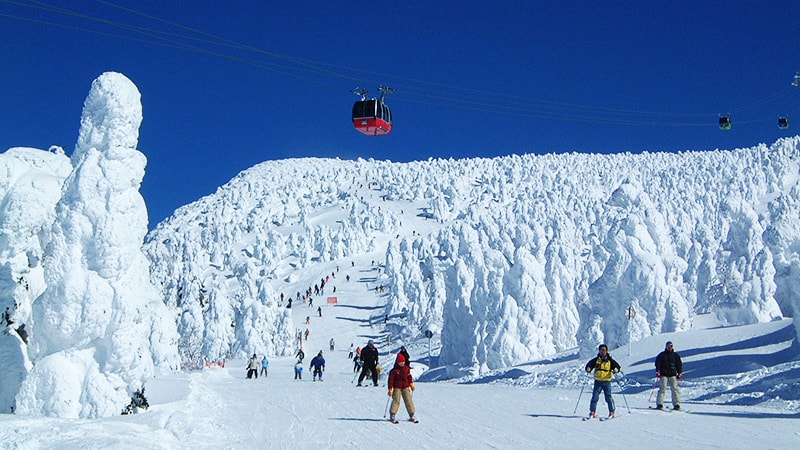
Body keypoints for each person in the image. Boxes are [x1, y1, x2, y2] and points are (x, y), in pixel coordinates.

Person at [584, 344, 621, 419]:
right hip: (598, 381)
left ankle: (612, 412)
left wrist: (616, 369)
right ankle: (592, 412)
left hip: (607, 381)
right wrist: (588, 368)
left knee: (608, 398)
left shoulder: (610, 360)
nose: (602, 352)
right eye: (601, 350)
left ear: (607, 351)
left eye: (604, 350)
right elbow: (589, 365)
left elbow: (617, 367)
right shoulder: (596, 360)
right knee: (595, 397)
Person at [387, 352, 417, 423]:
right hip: (397, 387)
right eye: (400, 362)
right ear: (397, 362)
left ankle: (412, 414)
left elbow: (409, 376)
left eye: (403, 362)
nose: (402, 363)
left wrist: (411, 384)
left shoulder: (406, 368)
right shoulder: (394, 371)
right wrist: (390, 389)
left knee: (408, 400)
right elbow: (390, 380)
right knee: (396, 400)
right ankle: (392, 414)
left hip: (405, 387)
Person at [655, 341, 683, 410]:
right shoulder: (662, 355)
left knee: (674, 389)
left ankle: (676, 404)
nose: (669, 348)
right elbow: (657, 363)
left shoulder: (675, 355)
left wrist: (680, 372)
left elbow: (679, 364)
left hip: (673, 374)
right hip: (663, 374)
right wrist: (658, 371)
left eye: (671, 346)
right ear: (666, 347)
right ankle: (659, 404)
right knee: (662, 388)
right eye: (668, 346)